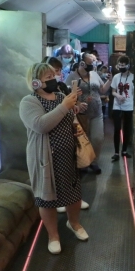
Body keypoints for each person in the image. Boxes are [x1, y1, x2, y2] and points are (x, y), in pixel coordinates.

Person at [19, 62, 89, 255]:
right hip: (44, 160)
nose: (53, 80)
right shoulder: (29, 102)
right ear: (35, 82)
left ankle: (74, 223)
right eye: (48, 77)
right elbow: (41, 125)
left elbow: (66, 119)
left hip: (67, 156)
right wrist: (64, 106)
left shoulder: (59, 96)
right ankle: (53, 235)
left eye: (53, 76)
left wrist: (74, 110)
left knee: (73, 194)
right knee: (47, 199)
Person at [42, 56, 91, 212]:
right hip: (52, 138)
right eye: (51, 73)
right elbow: (44, 121)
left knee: (72, 168)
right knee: (55, 171)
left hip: (69, 133)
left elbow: (70, 107)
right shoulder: (36, 97)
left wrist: (76, 104)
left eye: (57, 71)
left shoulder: (62, 87)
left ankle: (74, 199)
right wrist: (66, 105)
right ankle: (58, 200)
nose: (56, 75)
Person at [66, 52, 113, 174]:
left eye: (94, 62)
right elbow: (66, 94)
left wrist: (110, 80)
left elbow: (102, 90)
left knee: (97, 138)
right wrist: (77, 103)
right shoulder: (72, 76)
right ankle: (83, 162)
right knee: (82, 140)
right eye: (90, 62)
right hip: (81, 114)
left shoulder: (94, 74)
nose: (93, 65)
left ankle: (94, 161)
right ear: (82, 63)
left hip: (97, 112)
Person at [110, 55, 135, 161]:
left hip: (129, 106)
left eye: (123, 65)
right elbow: (113, 91)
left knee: (127, 129)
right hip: (117, 106)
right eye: (119, 65)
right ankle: (116, 152)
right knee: (117, 128)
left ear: (128, 66)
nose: (121, 67)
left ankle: (124, 150)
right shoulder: (116, 77)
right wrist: (118, 96)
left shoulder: (133, 77)